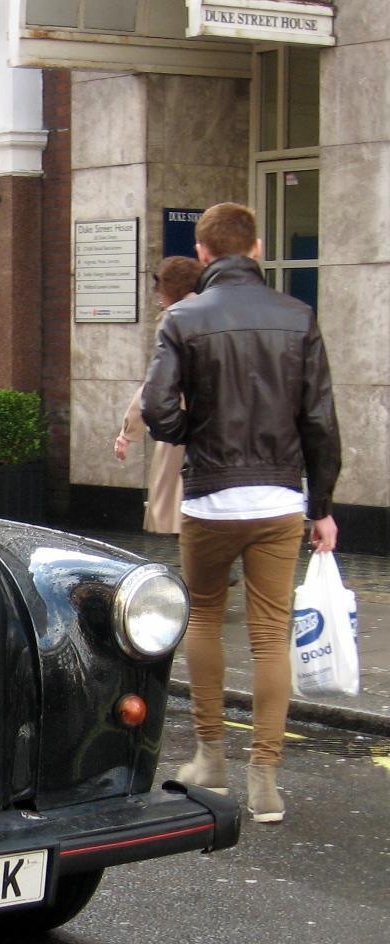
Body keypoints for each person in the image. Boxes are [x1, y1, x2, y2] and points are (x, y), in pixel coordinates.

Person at [142, 202, 341, 824]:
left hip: (209, 499)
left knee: (202, 617)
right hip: (281, 498)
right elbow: (319, 422)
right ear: (255, 249)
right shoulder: (297, 316)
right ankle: (265, 780)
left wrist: (193, 434)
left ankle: (210, 759)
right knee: (270, 635)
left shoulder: (182, 317)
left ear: (202, 255)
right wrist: (323, 505)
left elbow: (155, 407)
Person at [114, 256, 203, 534]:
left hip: (183, 421)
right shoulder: (216, 311)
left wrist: (129, 431)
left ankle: (197, 570)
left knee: (176, 501)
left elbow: (158, 384)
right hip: (222, 422)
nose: (156, 295)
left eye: (159, 287)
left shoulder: (175, 319)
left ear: (170, 287)